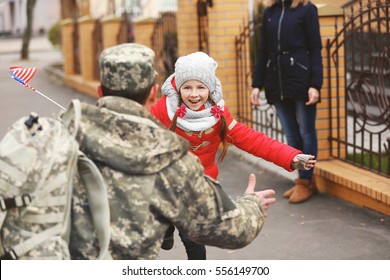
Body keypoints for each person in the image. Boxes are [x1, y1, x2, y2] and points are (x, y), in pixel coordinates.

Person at [67, 43, 277, 260]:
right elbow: (231, 230)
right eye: (188, 88)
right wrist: (252, 204)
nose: (194, 94)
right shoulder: (173, 163)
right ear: (153, 93)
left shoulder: (60, 138)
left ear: (100, 91)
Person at [150, 51, 316, 259]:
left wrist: (290, 156)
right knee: (161, 219)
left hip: (199, 188)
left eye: (201, 87)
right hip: (166, 185)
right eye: (187, 87)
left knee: (193, 241)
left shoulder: (218, 114)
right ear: (178, 87)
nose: (194, 94)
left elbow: (252, 139)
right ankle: (165, 229)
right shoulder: (163, 110)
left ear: (210, 88)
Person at [250, 0, 323, 204]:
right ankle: (305, 179)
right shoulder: (270, 12)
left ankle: (304, 183)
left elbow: (315, 49)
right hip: (277, 82)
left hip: (301, 80)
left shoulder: (307, 10)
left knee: (306, 133)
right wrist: (257, 84)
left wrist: (315, 84)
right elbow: (263, 51)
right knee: (291, 135)